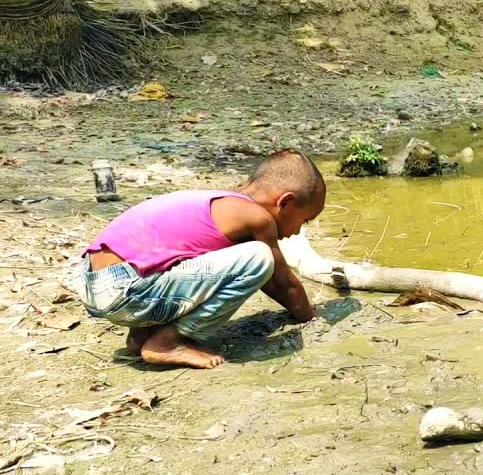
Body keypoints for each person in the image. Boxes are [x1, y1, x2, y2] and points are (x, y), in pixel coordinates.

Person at [72, 149, 327, 369]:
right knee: (259, 258)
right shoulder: (257, 218)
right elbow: (282, 283)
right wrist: (311, 318)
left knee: (206, 260)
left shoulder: (220, 202)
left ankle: (143, 335)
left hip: (91, 281)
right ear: (285, 202)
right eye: (304, 220)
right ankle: (169, 341)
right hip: (124, 290)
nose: (297, 231)